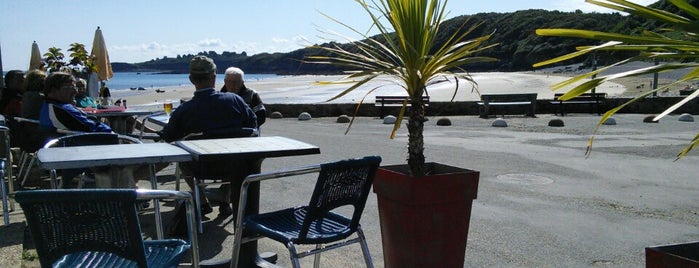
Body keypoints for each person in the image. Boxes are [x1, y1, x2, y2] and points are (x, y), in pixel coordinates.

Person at [159, 56, 257, 216]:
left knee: (183, 159)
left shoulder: (184, 111)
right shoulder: (235, 101)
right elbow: (253, 125)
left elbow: (168, 138)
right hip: (236, 167)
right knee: (232, 152)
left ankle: (203, 201)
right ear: (215, 76)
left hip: (200, 168)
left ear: (191, 79)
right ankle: (225, 200)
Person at [40, 72, 112, 133]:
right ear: (53, 90)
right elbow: (96, 129)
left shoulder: (47, 105)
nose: (75, 91)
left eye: (75, 88)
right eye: (70, 88)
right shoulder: (62, 110)